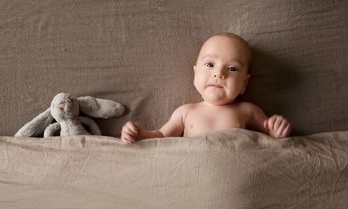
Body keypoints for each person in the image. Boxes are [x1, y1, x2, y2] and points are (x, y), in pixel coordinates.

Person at [121, 32, 291, 144]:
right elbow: (162, 136)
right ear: (195, 74)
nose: (219, 73)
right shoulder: (185, 112)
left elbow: (268, 139)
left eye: (232, 68)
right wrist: (140, 135)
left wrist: (277, 132)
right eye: (210, 64)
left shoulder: (248, 110)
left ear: (244, 84)